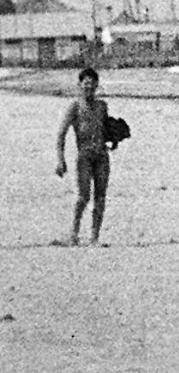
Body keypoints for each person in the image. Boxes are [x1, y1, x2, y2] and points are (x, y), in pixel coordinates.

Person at [54, 66, 112, 244]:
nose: (89, 87)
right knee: (84, 196)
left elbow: (107, 131)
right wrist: (60, 160)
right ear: (79, 85)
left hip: (102, 155)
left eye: (93, 84)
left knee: (100, 197)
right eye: (86, 84)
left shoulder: (102, 106)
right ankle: (74, 233)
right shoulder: (74, 107)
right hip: (84, 156)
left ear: (97, 86)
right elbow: (61, 134)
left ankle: (94, 237)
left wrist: (114, 140)